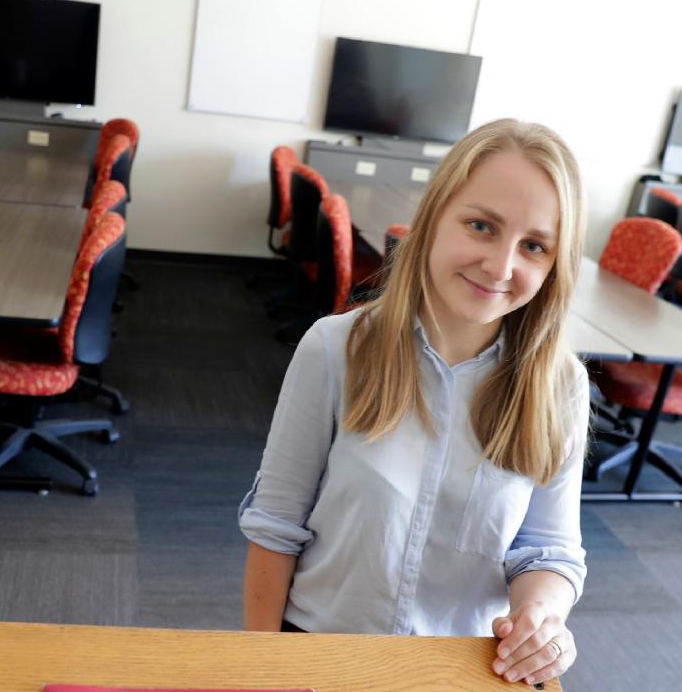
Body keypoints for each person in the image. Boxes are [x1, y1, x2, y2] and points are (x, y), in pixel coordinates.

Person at [238, 118, 590, 687]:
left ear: (555, 265)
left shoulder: (560, 384)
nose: (500, 267)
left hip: (461, 667)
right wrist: (259, 671)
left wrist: (542, 617)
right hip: (318, 655)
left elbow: (547, 549)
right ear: (433, 220)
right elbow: (276, 525)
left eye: (533, 246)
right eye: (481, 226)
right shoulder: (334, 349)